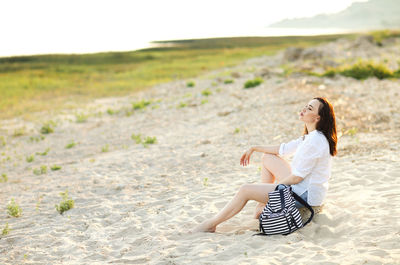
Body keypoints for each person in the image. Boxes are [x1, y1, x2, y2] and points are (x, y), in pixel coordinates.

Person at [193, 97, 337, 233]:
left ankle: (211, 225)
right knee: (268, 157)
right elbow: (283, 149)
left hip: (305, 196)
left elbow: (296, 179)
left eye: (310, 109)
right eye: (306, 106)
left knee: (245, 190)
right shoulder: (310, 137)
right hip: (302, 186)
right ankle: (261, 206)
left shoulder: (314, 141)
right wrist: (254, 148)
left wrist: (272, 189)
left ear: (317, 118)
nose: (304, 109)